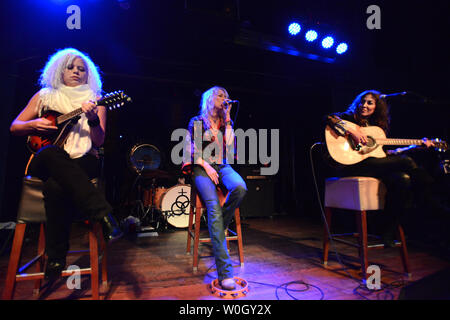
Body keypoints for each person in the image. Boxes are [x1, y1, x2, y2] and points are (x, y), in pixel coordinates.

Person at [10, 48, 123, 281]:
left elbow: (98, 141)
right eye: (71, 67)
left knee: (55, 187)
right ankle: (103, 214)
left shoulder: (96, 100)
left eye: (81, 69)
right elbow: (15, 126)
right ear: (60, 70)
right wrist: (35, 125)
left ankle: (56, 258)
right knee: (52, 152)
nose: (76, 72)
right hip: (44, 159)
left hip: (82, 161)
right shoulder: (45, 96)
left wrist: (92, 119)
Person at [326, 90, 436, 246]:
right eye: (362, 101)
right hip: (350, 166)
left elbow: (383, 154)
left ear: (376, 107)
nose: (364, 105)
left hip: (372, 165)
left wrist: (413, 146)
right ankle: (428, 196)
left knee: (402, 180)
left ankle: (388, 231)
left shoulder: (376, 128)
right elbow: (328, 118)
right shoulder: (348, 118)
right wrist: (353, 132)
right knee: (406, 163)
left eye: (369, 103)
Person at [182, 86, 247, 290]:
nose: (224, 99)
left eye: (226, 96)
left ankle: (218, 225)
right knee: (213, 207)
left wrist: (227, 119)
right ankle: (226, 273)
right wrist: (206, 165)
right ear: (209, 99)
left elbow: (229, 149)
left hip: (222, 166)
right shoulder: (197, 121)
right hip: (201, 167)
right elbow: (191, 149)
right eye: (220, 95)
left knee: (240, 187)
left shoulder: (226, 122)